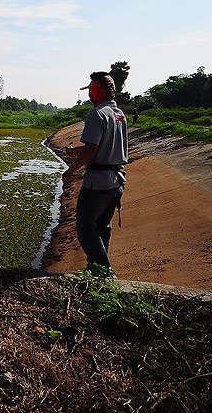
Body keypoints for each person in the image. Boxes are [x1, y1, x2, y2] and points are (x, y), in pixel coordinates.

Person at [61, 71, 128, 277]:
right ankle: (95, 270)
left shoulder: (96, 113)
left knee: (85, 228)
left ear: (95, 91)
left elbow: (92, 150)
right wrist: (76, 151)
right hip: (116, 181)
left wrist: (70, 171)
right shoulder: (119, 115)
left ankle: (106, 273)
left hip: (97, 182)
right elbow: (97, 146)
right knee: (102, 227)